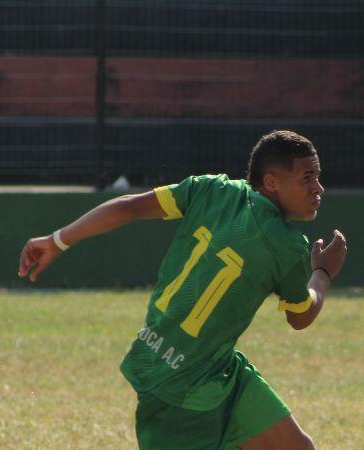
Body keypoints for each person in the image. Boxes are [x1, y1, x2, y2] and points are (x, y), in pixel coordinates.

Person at [18, 130, 346, 450]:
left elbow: (128, 207)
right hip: (179, 391)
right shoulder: (287, 245)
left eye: (318, 177)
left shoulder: (210, 188)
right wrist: (323, 272)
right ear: (272, 182)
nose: (318, 188)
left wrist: (58, 240)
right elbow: (301, 316)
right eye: (307, 178)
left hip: (214, 368)